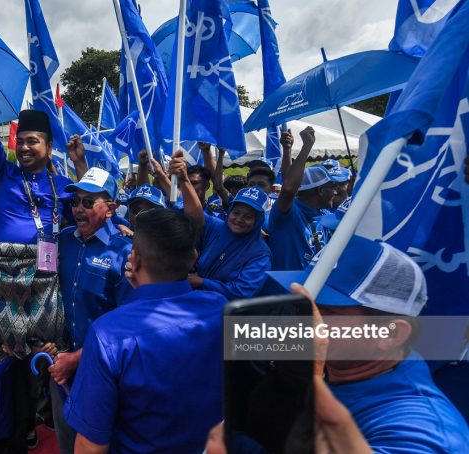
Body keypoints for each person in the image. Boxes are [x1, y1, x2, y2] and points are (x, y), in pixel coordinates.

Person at [0, 46, 86, 451]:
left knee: (53, 366)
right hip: (5, 288)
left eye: (33, 142)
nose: (25, 148)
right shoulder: (3, 175)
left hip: (47, 289)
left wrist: (81, 166)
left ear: (49, 147)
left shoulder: (63, 186)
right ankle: (3, 439)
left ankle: (63, 434)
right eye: (21, 142)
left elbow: (93, 201)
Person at [269, 236, 469, 452]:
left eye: (325, 311)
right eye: (304, 304)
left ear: (391, 334)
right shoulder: (323, 370)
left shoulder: (423, 434)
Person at [65, 208, 227, 453]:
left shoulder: (108, 335)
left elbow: (90, 446)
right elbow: (290, 342)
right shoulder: (221, 308)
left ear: (135, 259)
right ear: (193, 257)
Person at [50, 167, 133, 453]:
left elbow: (127, 326)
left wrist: (77, 358)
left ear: (110, 209)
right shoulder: (61, 241)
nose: (78, 209)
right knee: (66, 441)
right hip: (59, 365)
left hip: (101, 371)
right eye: (75, 202)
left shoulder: (125, 252)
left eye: (88, 202)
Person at [171, 151, 271, 301]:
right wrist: (183, 179)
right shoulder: (217, 228)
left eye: (248, 216)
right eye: (236, 212)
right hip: (197, 302)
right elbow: (194, 214)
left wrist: (201, 282)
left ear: (259, 221)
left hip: (226, 317)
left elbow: (242, 292)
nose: (239, 219)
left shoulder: (260, 254)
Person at [267, 127, 337, 271]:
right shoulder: (289, 214)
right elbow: (288, 189)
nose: (336, 192)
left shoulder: (325, 216)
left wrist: (287, 150)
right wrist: (306, 146)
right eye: (333, 187)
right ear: (321, 191)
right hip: (286, 290)